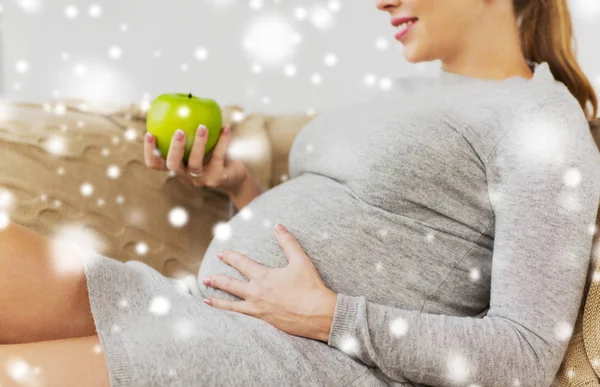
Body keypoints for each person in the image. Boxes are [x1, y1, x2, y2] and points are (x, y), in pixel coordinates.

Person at [1, 0, 599, 385]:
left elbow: (523, 355)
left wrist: (331, 318)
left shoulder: (541, 121)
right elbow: (355, 231)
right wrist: (240, 188)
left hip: (292, 362)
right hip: (203, 310)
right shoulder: (408, 92)